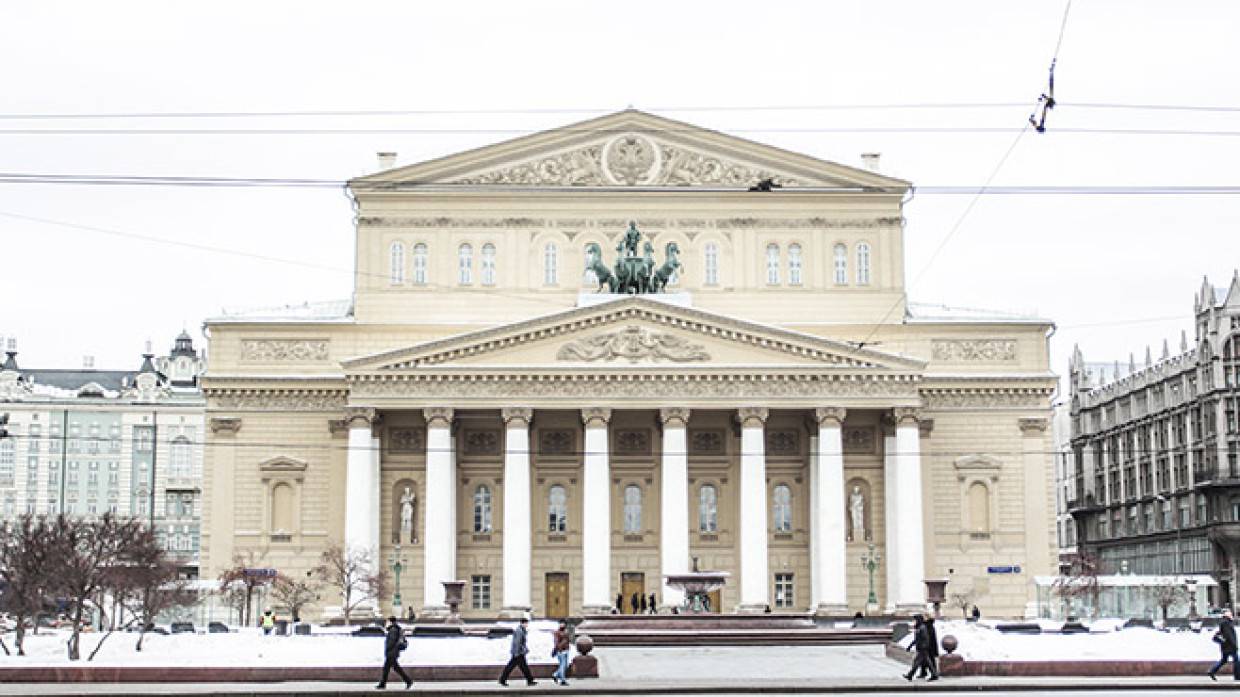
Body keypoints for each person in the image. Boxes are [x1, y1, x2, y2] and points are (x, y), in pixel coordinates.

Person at [376, 616, 412, 690]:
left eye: (387, 622)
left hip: (391, 652)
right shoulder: (396, 629)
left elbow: (391, 641)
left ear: (390, 622)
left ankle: (408, 681)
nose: (386, 624)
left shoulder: (393, 630)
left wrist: (387, 649)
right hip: (393, 652)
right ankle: (383, 684)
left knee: (392, 669)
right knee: (389, 668)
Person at [499, 617, 537, 686]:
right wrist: (517, 652)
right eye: (525, 623)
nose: (526, 625)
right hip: (518, 652)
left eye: (527, 623)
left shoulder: (522, 630)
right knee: (512, 667)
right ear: (522, 623)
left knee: (522, 667)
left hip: (519, 652)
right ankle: (502, 679)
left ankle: (530, 680)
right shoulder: (519, 631)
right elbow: (517, 642)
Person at [903, 615, 939, 682]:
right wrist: (910, 646)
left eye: (916, 620)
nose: (915, 621)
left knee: (917, 662)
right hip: (922, 648)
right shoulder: (920, 627)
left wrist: (924, 646)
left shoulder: (922, 628)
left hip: (923, 648)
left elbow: (925, 638)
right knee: (925, 662)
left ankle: (910, 675)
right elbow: (917, 639)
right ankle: (934, 674)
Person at [1208, 609, 1239, 681]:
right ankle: (1237, 676)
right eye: (1231, 615)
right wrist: (1234, 645)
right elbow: (1229, 635)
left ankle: (1212, 671)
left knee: (1224, 660)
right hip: (1229, 646)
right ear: (1227, 615)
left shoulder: (1224, 622)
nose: (1232, 616)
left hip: (1225, 646)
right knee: (1237, 661)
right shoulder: (1226, 623)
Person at [551, 620, 571, 686]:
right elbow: (556, 642)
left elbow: (568, 641)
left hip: (566, 650)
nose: (562, 625)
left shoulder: (566, 631)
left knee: (566, 665)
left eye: (563, 624)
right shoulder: (557, 632)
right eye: (561, 624)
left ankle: (555, 675)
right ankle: (563, 680)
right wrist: (559, 649)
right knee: (562, 666)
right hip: (561, 651)